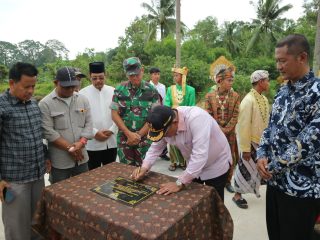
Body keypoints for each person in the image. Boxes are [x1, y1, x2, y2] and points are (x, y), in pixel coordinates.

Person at [256, 34, 320, 240]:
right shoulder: (283, 91)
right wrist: (262, 154)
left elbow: (307, 143)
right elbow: (270, 128)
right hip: (275, 184)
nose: (278, 66)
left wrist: (271, 167)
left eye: (283, 61)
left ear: (302, 57)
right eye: (277, 61)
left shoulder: (316, 93)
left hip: (301, 190)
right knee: (275, 234)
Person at [131, 105, 232, 201]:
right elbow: (155, 148)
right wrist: (144, 168)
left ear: (175, 122)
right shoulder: (164, 122)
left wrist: (180, 183)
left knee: (214, 202)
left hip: (216, 164)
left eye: (165, 134)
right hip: (192, 166)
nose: (165, 137)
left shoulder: (197, 118)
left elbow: (200, 155)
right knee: (193, 200)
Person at [0, 62, 49, 240]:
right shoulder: (2, 106)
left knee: (38, 223)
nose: (30, 91)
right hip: (13, 182)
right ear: (12, 83)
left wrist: (45, 155)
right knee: (16, 228)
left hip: (37, 176)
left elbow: (37, 135)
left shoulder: (33, 104)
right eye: (26, 86)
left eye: (33, 86)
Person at [39, 67, 93, 183]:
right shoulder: (45, 104)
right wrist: (71, 148)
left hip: (82, 157)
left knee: (85, 189)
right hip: (60, 162)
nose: (70, 90)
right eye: (66, 87)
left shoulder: (83, 99)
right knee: (59, 194)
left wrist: (81, 142)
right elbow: (48, 131)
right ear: (56, 83)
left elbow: (89, 123)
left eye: (73, 86)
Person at [232, 70, 270, 209]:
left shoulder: (264, 99)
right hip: (250, 142)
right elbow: (243, 126)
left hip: (261, 142)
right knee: (244, 169)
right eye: (267, 80)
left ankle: (253, 188)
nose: (268, 83)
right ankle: (237, 195)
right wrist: (246, 149)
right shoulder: (248, 100)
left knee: (257, 169)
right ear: (260, 82)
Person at [111, 57, 159, 166]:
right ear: (126, 74)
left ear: (142, 70)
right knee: (126, 173)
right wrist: (129, 134)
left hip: (144, 141)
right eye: (131, 75)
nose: (135, 78)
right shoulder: (119, 90)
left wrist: (137, 135)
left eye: (137, 74)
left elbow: (155, 116)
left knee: (144, 173)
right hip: (125, 140)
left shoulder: (152, 91)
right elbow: (114, 114)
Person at [205, 56, 240, 194]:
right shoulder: (209, 96)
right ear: (219, 81)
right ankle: (214, 179)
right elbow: (208, 114)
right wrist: (218, 129)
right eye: (229, 80)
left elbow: (236, 115)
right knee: (214, 155)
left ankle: (227, 181)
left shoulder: (235, 96)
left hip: (230, 134)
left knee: (229, 156)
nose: (231, 82)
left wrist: (226, 130)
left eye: (232, 80)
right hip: (214, 132)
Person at [79, 62, 117, 170]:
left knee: (110, 173)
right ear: (90, 77)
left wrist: (112, 129)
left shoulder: (113, 91)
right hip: (92, 144)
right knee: (93, 176)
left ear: (105, 75)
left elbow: (119, 113)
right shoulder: (82, 94)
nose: (98, 81)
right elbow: (82, 117)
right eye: (94, 78)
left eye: (101, 77)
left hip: (111, 141)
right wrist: (95, 133)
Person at [164, 66, 196, 171]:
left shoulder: (191, 90)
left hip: (184, 118)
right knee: (172, 140)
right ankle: (173, 161)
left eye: (177, 75)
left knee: (183, 140)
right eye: (174, 75)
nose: (174, 77)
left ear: (183, 77)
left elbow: (192, 106)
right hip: (172, 119)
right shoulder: (170, 89)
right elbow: (167, 103)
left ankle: (183, 162)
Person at [149, 67, 169, 160]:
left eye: (158, 74)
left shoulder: (162, 86)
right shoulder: (147, 86)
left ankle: (163, 153)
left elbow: (164, 100)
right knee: (151, 132)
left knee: (162, 131)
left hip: (160, 111)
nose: (157, 76)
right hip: (151, 112)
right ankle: (150, 154)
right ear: (151, 75)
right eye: (154, 74)